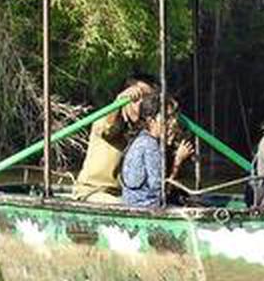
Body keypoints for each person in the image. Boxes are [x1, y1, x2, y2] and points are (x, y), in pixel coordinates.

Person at [73, 74, 156, 203]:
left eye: (148, 100)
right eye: (138, 97)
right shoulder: (105, 119)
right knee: (130, 206)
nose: (142, 105)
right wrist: (118, 102)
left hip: (121, 194)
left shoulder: (145, 130)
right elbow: (108, 129)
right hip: (92, 192)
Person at [120, 94, 195, 208]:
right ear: (151, 121)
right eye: (167, 117)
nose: (173, 122)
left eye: (173, 117)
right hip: (145, 207)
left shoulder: (141, 140)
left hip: (134, 203)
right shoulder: (150, 145)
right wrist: (178, 161)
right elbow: (161, 191)